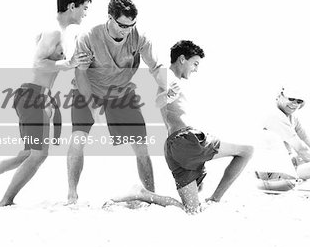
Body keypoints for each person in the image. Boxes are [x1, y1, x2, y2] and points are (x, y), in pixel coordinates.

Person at [0, 0, 92, 206]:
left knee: (27, 153)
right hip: (33, 95)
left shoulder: (58, 32)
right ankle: (5, 201)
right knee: (39, 154)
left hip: (40, 95)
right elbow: (38, 63)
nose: (85, 14)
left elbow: (45, 57)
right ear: (71, 6)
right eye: (84, 8)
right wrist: (68, 62)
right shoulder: (54, 30)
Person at [104, 40, 254, 213]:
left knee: (192, 209)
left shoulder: (169, 78)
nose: (196, 69)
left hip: (173, 148)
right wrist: (168, 95)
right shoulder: (167, 76)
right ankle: (215, 199)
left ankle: (143, 194)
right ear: (182, 59)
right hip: (187, 140)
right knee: (247, 151)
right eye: (195, 63)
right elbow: (158, 101)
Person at [66, 0, 170, 204]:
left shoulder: (137, 36)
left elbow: (156, 68)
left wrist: (169, 87)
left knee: (141, 145)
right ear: (110, 18)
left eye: (131, 25)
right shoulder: (89, 37)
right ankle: (72, 195)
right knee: (78, 139)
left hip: (121, 92)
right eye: (122, 25)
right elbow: (80, 74)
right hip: (89, 90)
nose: (127, 30)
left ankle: (150, 194)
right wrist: (92, 106)